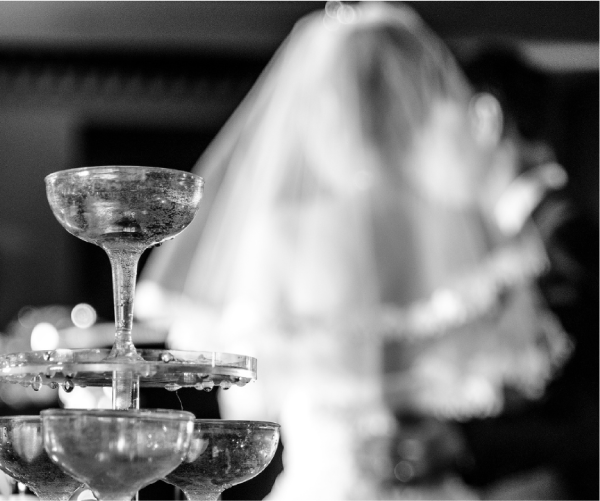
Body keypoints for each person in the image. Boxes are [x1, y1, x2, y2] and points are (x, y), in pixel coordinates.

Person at [136, 4, 568, 500]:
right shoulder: (477, 232)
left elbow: (250, 406)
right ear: (420, 102)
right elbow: (520, 383)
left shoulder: (284, 236)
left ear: (321, 113)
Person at [387, 48, 600, 501]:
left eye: (430, 125)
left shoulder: (565, 243)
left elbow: (585, 410)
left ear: (486, 117)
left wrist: (465, 442)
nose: (421, 149)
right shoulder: (503, 240)